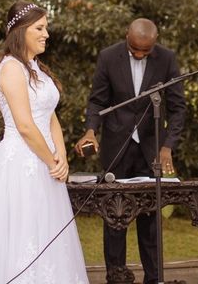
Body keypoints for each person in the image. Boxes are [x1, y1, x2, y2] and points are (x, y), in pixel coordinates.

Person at [0, 0, 88, 284]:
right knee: (21, 236)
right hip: (21, 163)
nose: (46, 34)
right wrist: (52, 161)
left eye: (46, 27)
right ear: (21, 31)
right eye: (40, 27)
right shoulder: (11, 68)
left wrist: (61, 156)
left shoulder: (37, 68)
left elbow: (50, 117)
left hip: (46, 164)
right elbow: (25, 125)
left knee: (47, 235)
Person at [74, 18, 186, 284]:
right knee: (115, 219)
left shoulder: (167, 59)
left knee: (150, 221)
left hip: (151, 150)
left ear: (155, 42)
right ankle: (116, 277)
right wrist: (91, 130)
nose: (139, 54)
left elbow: (178, 107)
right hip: (116, 147)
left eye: (145, 52)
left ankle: (154, 278)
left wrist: (167, 145)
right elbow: (98, 100)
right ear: (126, 36)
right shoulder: (108, 57)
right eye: (134, 49)